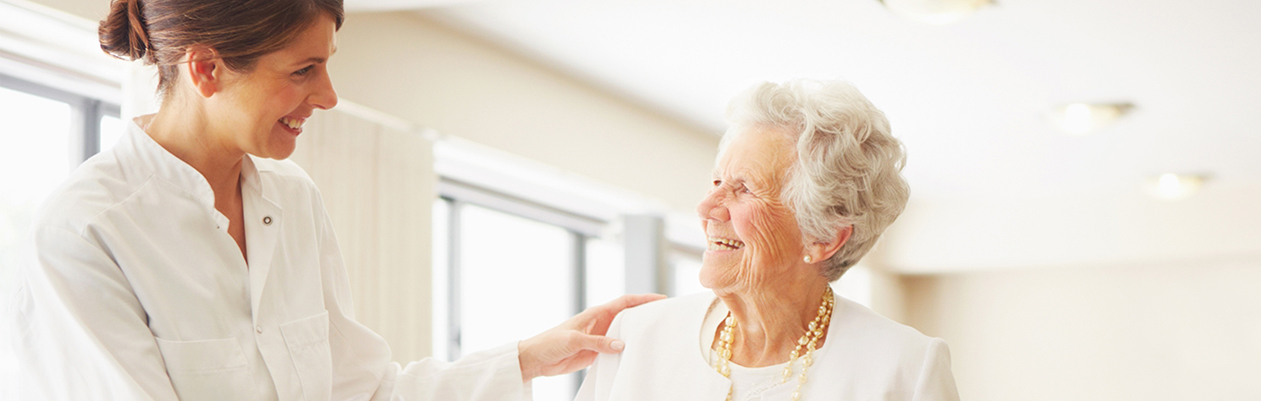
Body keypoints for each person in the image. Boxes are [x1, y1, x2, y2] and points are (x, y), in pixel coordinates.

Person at [8, 0, 660, 400]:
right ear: (205, 69)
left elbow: (366, 391)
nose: (327, 96)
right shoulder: (83, 231)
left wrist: (530, 356)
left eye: (325, 65)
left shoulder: (291, 200)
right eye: (302, 70)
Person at [574, 80, 960, 401]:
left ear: (822, 238)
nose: (707, 207)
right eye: (717, 182)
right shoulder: (636, 338)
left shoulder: (905, 367)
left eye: (744, 189)